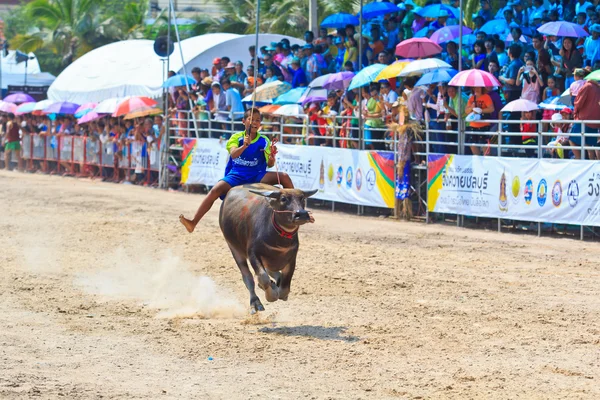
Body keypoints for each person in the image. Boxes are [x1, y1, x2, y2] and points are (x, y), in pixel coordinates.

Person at [179, 108, 298, 233]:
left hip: (257, 175)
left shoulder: (264, 141)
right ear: (243, 121)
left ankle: (296, 211)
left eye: (258, 120)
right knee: (215, 190)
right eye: (251, 119)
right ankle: (193, 222)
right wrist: (244, 146)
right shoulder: (236, 137)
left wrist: (272, 157)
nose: (255, 122)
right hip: (237, 175)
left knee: (284, 176)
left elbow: (269, 164)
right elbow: (234, 154)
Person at [571, 77, 600, 159]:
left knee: (572, 140)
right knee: (590, 145)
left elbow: (579, 103)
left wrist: (575, 113)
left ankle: (579, 160)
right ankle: (591, 163)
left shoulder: (587, 86)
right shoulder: (598, 89)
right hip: (595, 121)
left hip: (583, 119)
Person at [465, 87, 495, 156]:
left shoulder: (486, 97)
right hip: (473, 125)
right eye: (475, 88)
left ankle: (487, 162)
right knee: (472, 144)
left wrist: (480, 110)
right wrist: (471, 108)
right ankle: (477, 161)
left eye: (478, 88)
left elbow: (491, 109)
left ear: (482, 88)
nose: (476, 89)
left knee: (484, 145)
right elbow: (466, 111)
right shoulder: (471, 98)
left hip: (484, 125)